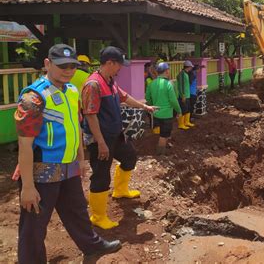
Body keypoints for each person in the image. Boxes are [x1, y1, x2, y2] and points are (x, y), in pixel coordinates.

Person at [14, 44, 121, 263]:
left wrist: (81, 161)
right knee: (34, 225)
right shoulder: (33, 98)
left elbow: (76, 128)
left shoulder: (72, 91)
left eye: (72, 65)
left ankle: (92, 246)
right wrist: (27, 187)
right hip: (41, 170)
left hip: (70, 165)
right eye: (62, 66)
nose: (68, 70)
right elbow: (25, 146)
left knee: (77, 211)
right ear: (47, 64)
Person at [82, 46, 155, 229]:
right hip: (101, 139)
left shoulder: (110, 81)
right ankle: (98, 217)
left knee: (130, 157)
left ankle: (121, 190)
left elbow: (125, 97)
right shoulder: (93, 85)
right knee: (101, 175)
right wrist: (100, 142)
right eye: (119, 65)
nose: (121, 68)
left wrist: (144, 107)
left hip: (115, 134)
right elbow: (90, 115)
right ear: (109, 63)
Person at [145, 62, 182, 154]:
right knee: (163, 135)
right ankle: (160, 154)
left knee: (163, 132)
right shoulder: (169, 84)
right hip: (166, 114)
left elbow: (148, 98)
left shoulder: (152, 84)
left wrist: (153, 105)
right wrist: (179, 111)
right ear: (167, 71)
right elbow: (173, 100)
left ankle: (164, 146)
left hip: (156, 113)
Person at [176, 60, 194, 130]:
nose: (191, 68)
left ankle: (186, 122)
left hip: (187, 95)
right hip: (183, 96)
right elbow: (181, 86)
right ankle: (181, 124)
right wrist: (182, 95)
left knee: (187, 109)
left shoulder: (186, 73)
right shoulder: (182, 74)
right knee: (183, 110)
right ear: (188, 67)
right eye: (190, 67)